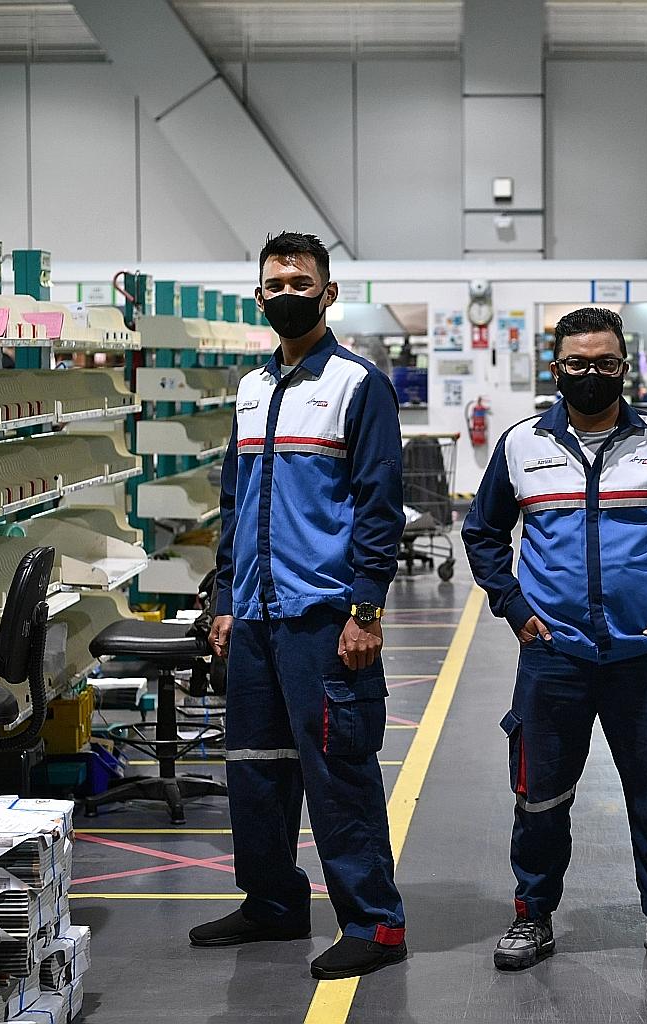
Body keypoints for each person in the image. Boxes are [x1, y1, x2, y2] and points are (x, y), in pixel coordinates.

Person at [462, 307, 647, 973]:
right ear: (556, 367)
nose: (591, 374)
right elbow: (482, 532)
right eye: (577, 363)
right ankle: (532, 916)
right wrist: (514, 605)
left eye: (605, 363)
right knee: (540, 798)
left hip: (644, 657)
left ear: (625, 367)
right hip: (553, 658)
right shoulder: (522, 445)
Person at [197, 231, 408, 980]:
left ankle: (375, 924)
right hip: (253, 617)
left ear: (329, 293)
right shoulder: (252, 389)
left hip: (324, 618)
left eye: (301, 281)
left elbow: (381, 505)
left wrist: (367, 609)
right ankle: (274, 903)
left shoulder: (359, 385)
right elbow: (235, 500)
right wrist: (225, 598)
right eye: (275, 283)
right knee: (254, 768)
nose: (288, 292)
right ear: (260, 296)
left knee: (339, 770)